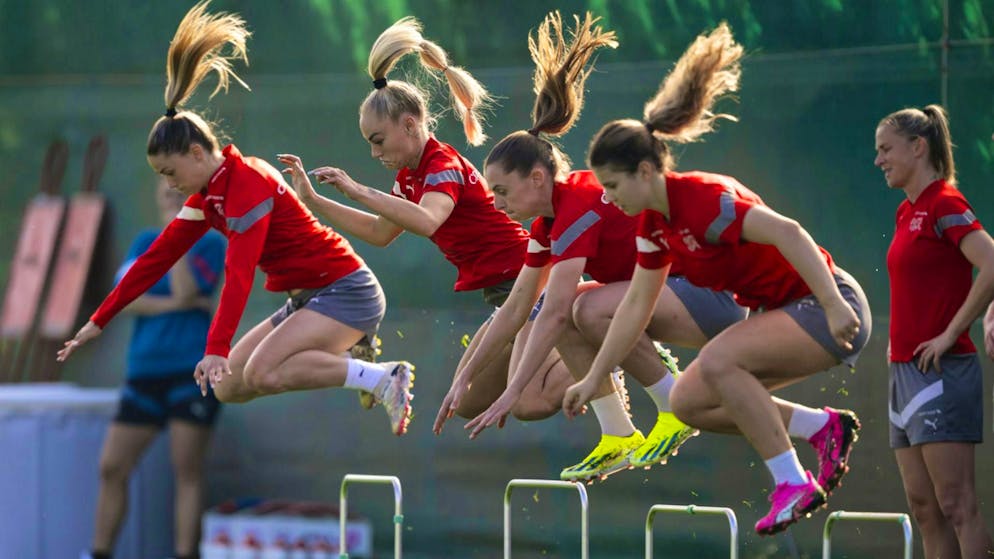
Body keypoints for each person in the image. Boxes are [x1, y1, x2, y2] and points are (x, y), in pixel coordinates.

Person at [562, 23, 870, 535]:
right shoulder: (652, 227)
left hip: (826, 303)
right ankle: (823, 427)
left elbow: (791, 234)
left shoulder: (705, 200)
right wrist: (595, 377)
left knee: (720, 360)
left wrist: (836, 305)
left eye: (613, 185)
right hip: (786, 313)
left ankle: (793, 484)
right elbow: (637, 305)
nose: (609, 197)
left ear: (644, 171)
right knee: (689, 402)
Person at [57, 1, 414, 437]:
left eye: (170, 173)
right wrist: (98, 320)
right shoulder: (209, 196)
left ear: (195, 153)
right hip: (309, 298)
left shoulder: (246, 184)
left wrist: (215, 347)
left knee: (263, 372)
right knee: (229, 386)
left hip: (345, 290)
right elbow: (156, 259)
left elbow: (239, 273)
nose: (169, 185)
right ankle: (357, 360)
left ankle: (379, 377)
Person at [444, 12, 746, 483]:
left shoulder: (578, 206)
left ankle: (673, 406)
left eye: (502, 191)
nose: (496, 204)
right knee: (561, 306)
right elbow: (519, 307)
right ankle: (618, 435)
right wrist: (465, 376)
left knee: (577, 309)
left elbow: (558, 312)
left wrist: (511, 389)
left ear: (538, 178)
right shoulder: (548, 222)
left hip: (710, 297)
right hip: (668, 298)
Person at [277, 15, 571, 423]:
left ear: (410, 125)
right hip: (503, 292)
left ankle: (602, 357)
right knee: (465, 402)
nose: (374, 152)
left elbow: (429, 220)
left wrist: (357, 188)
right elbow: (381, 233)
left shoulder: (440, 163)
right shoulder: (410, 178)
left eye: (378, 140)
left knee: (530, 404)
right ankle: (589, 353)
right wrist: (313, 200)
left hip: (526, 281)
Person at [82, 179, 224, 559]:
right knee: (112, 466)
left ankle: (184, 554)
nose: (171, 192)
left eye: (179, 188)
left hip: (190, 374)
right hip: (144, 373)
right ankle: (98, 553)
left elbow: (185, 289)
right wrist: (178, 306)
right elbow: (122, 301)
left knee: (186, 471)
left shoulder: (211, 242)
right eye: (164, 185)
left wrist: (177, 234)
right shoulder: (144, 242)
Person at [876, 104, 994, 558]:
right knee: (924, 509)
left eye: (886, 149)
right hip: (903, 374)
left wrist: (951, 332)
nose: (879, 160)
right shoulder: (906, 212)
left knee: (957, 504)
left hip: (943, 371)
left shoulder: (945, 202)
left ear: (917, 147)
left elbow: (990, 263)